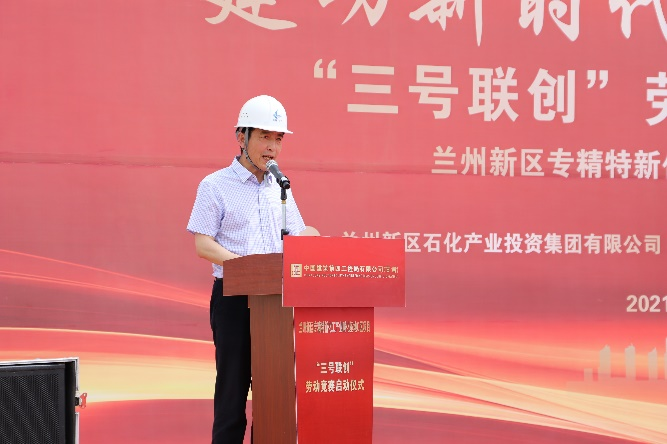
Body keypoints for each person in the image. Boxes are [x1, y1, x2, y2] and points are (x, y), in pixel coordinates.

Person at [187, 95, 306, 444]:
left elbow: (298, 236)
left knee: (274, 394)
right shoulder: (215, 185)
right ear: (242, 137)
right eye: (265, 137)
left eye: (278, 139)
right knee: (232, 392)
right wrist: (249, 269)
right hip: (234, 300)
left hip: (276, 302)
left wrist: (315, 241)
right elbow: (203, 244)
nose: (273, 148)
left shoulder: (280, 188)